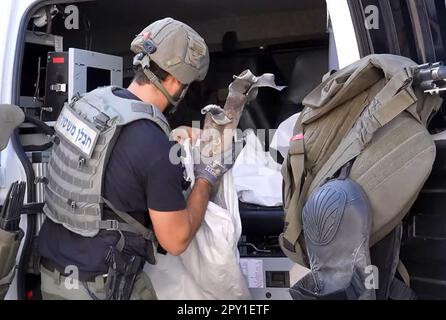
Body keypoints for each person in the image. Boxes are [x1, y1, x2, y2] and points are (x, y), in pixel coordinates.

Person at [37, 17, 230, 300]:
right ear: (176, 81)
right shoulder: (156, 148)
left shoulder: (89, 104)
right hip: (100, 288)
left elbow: (109, 164)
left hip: (51, 279)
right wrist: (206, 177)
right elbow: (175, 241)